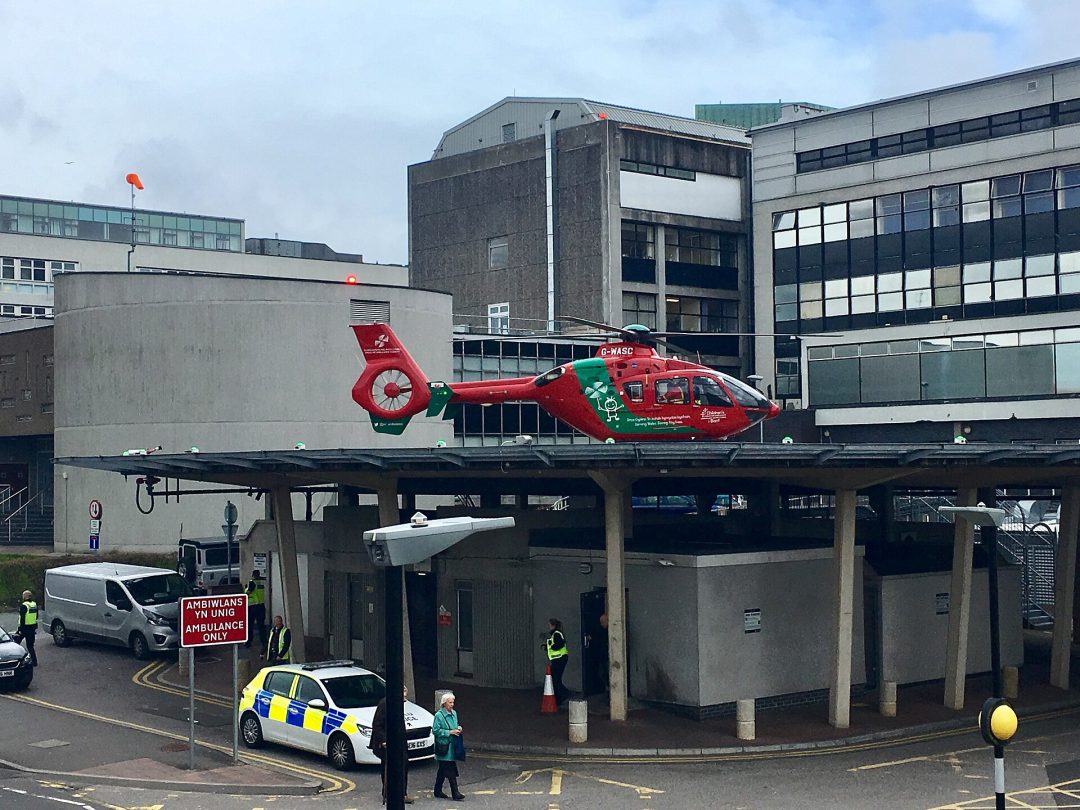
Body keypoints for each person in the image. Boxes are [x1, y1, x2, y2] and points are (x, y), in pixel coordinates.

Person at [369, 686, 414, 804]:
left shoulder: (397, 704)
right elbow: (377, 725)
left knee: (403, 766)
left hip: (399, 742)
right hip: (386, 744)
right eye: (403, 696)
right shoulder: (385, 704)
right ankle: (388, 792)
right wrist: (384, 740)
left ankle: (402, 793)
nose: (405, 699)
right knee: (388, 767)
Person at [432, 692, 465, 801]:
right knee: (451, 770)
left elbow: (456, 724)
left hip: (452, 747)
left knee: (442, 769)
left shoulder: (454, 713)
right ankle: (455, 793)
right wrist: (449, 732)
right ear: (444, 703)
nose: (452, 704)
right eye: (450, 702)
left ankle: (437, 790)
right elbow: (435, 731)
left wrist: (458, 728)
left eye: (453, 702)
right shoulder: (438, 716)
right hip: (444, 747)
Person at [545, 618, 569, 706]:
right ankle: (561, 696)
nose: (548, 626)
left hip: (559, 659)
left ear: (553, 625)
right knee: (556, 679)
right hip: (559, 659)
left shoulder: (556, 634)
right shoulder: (556, 634)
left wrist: (552, 647)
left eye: (549, 625)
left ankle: (562, 696)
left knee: (556, 679)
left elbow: (559, 644)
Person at [244, 571, 267, 650]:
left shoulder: (252, 583)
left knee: (250, 625)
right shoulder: (262, 582)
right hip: (261, 606)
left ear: (253, 575)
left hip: (252, 607)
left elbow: (248, 593)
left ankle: (248, 642)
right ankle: (264, 642)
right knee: (261, 625)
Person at [18, 590, 38, 667]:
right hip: (32, 628)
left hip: (24, 628)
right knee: (30, 646)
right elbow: (36, 616)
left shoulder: (24, 605)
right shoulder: (34, 604)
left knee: (16, 643)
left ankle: (18, 660)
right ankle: (34, 661)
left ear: (25, 596)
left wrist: (20, 630)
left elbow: (22, 618)